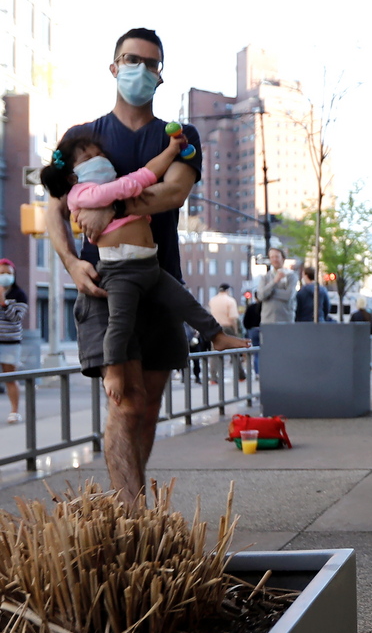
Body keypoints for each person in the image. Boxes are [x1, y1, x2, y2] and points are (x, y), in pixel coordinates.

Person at [45, 28, 216, 508]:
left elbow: (173, 192)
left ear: (160, 75)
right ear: (114, 66)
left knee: (149, 405)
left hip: (161, 284)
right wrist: (72, 264)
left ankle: (132, 510)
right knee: (125, 403)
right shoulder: (80, 138)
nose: (140, 69)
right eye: (130, 59)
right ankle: (134, 515)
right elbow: (53, 209)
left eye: (150, 63)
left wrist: (107, 205)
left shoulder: (181, 136)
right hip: (103, 287)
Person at [40, 133, 246, 403]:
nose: (99, 160)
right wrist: (149, 176)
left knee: (184, 302)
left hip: (149, 263)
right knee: (120, 324)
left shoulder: (111, 185)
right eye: (88, 158)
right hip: (119, 270)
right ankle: (114, 370)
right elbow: (136, 181)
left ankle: (216, 336)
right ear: (72, 177)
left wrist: (171, 150)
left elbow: (143, 177)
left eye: (99, 154)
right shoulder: (82, 193)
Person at [0, 260, 28, 424]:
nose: (5, 276)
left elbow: (16, 317)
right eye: (2, 273)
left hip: (10, 342)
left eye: (8, 273)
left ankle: (14, 411)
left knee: (10, 377)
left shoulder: (19, 294)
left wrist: (4, 303)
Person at [207, 283, 243, 383]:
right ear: (228, 290)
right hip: (227, 327)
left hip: (215, 328)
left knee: (215, 353)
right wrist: (235, 331)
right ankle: (240, 375)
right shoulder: (230, 301)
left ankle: (213, 377)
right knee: (234, 352)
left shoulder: (212, 300)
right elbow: (232, 318)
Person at [257, 246, 296, 324]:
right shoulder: (265, 277)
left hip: (286, 320)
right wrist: (274, 281)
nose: (274, 259)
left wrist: (269, 293)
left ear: (283, 258)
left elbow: (288, 295)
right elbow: (261, 295)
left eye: (277, 257)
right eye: (272, 257)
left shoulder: (291, 276)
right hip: (267, 320)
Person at [242, 290, 262, 373]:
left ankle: (257, 372)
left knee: (256, 353)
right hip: (264, 329)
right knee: (266, 351)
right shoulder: (266, 307)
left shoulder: (251, 307)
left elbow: (245, 321)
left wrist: (249, 329)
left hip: (253, 330)